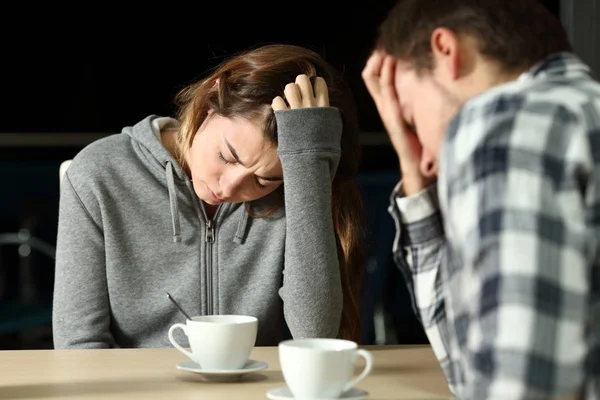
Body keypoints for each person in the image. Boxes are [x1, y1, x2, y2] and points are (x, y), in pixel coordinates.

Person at [53, 43, 366, 349]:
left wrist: (307, 166)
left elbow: (317, 337)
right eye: (228, 157)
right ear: (208, 103)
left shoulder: (294, 187)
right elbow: (78, 344)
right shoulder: (100, 174)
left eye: (262, 180)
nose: (229, 189)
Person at [362, 0, 600, 398]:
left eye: (410, 116)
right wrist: (412, 172)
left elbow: (522, 385)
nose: (426, 158)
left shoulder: (510, 121)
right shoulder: (578, 110)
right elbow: (465, 368)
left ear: (446, 51)